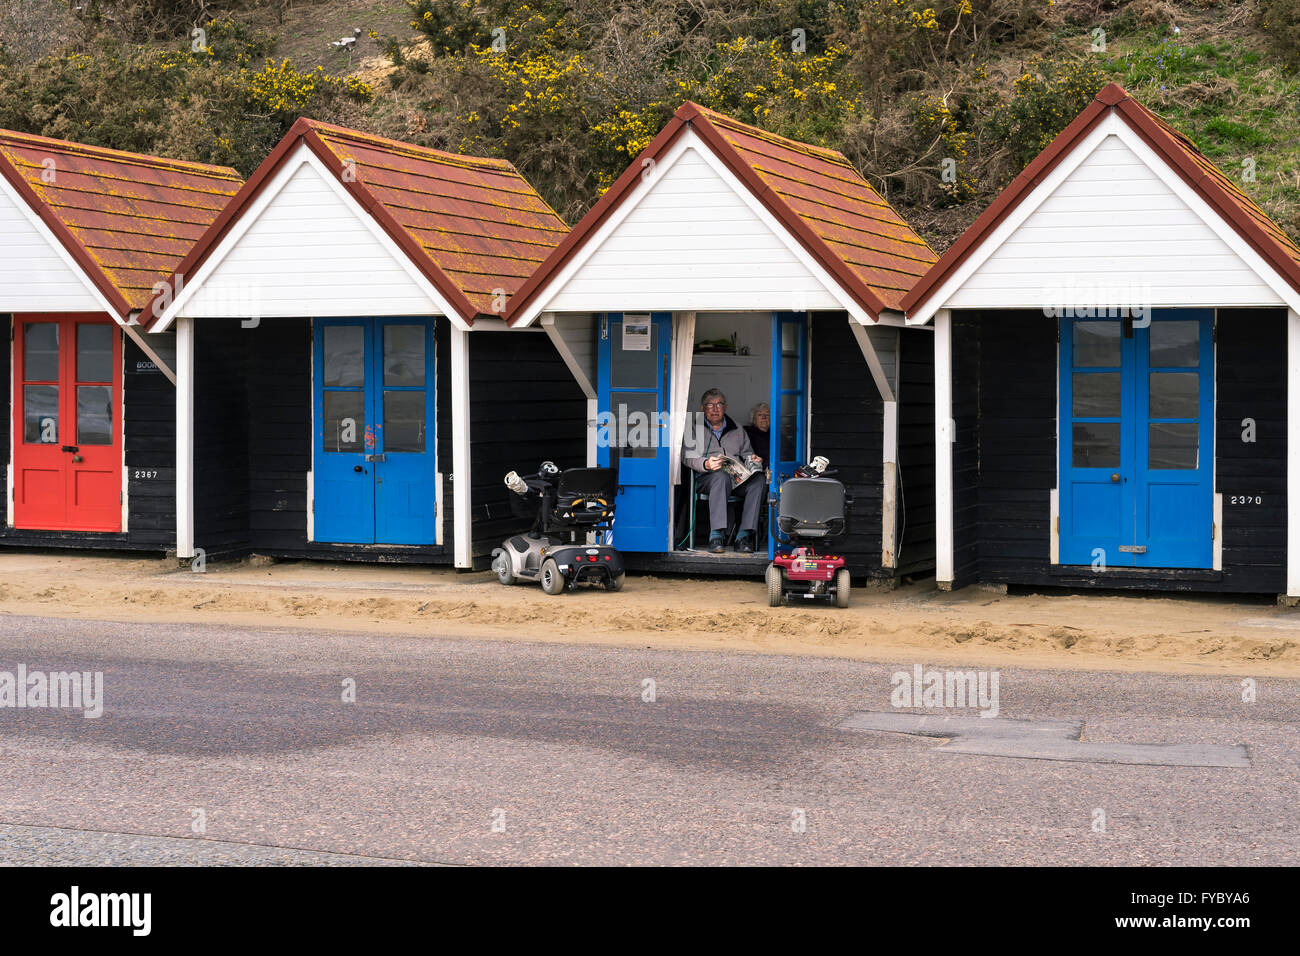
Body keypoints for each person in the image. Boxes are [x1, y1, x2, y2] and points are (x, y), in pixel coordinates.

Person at [683, 388, 765, 553]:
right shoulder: (693, 429)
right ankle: (716, 536)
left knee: (759, 481)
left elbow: (747, 453)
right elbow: (688, 457)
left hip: (736, 478)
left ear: (725, 407)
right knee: (721, 476)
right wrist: (706, 463)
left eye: (719, 404)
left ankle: (743, 536)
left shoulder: (737, 429)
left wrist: (753, 460)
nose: (715, 408)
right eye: (710, 405)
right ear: (702, 408)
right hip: (708, 478)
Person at [744, 403, 771, 471]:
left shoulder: (776, 434)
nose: (764, 417)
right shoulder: (747, 433)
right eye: (760, 415)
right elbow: (748, 455)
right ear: (754, 419)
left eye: (767, 415)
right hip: (758, 470)